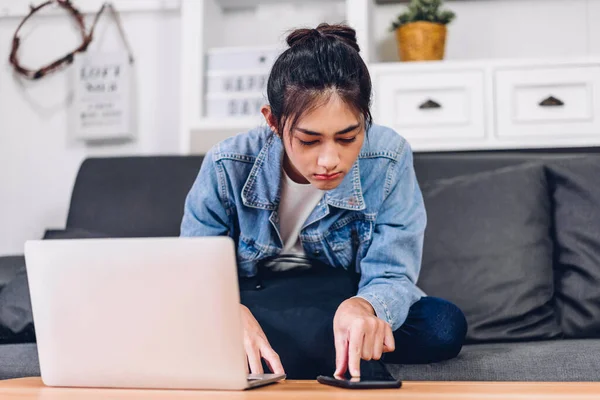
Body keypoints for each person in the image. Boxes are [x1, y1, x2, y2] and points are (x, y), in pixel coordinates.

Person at [181, 23, 467, 380]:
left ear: (365, 119)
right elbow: (194, 274)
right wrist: (226, 312)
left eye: (347, 137)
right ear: (273, 121)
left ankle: (285, 349)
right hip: (257, 299)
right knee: (167, 313)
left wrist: (364, 307)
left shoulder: (388, 156)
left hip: (342, 298)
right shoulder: (228, 164)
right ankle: (315, 346)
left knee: (442, 325)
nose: (329, 159)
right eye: (309, 140)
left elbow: (393, 273)